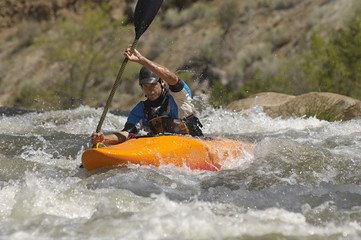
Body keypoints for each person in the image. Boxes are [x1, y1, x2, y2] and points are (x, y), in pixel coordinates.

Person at [91, 46, 203, 145]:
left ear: (162, 82)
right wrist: (104, 139)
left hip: (194, 143)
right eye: (145, 86)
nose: (149, 90)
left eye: (153, 85)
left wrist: (142, 60)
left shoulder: (179, 96)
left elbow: (172, 77)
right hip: (164, 149)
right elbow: (126, 133)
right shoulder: (141, 109)